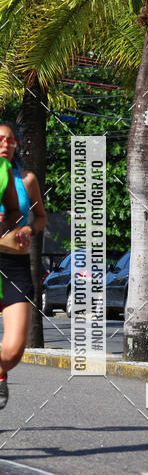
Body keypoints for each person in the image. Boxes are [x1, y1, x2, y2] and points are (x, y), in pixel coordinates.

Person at [0, 122, 47, 409]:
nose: (5, 144)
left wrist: (29, 230)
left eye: (10, 140)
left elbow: (39, 216)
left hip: (15, 266)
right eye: (0, 139)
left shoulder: (26, 179)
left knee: (15, 349)